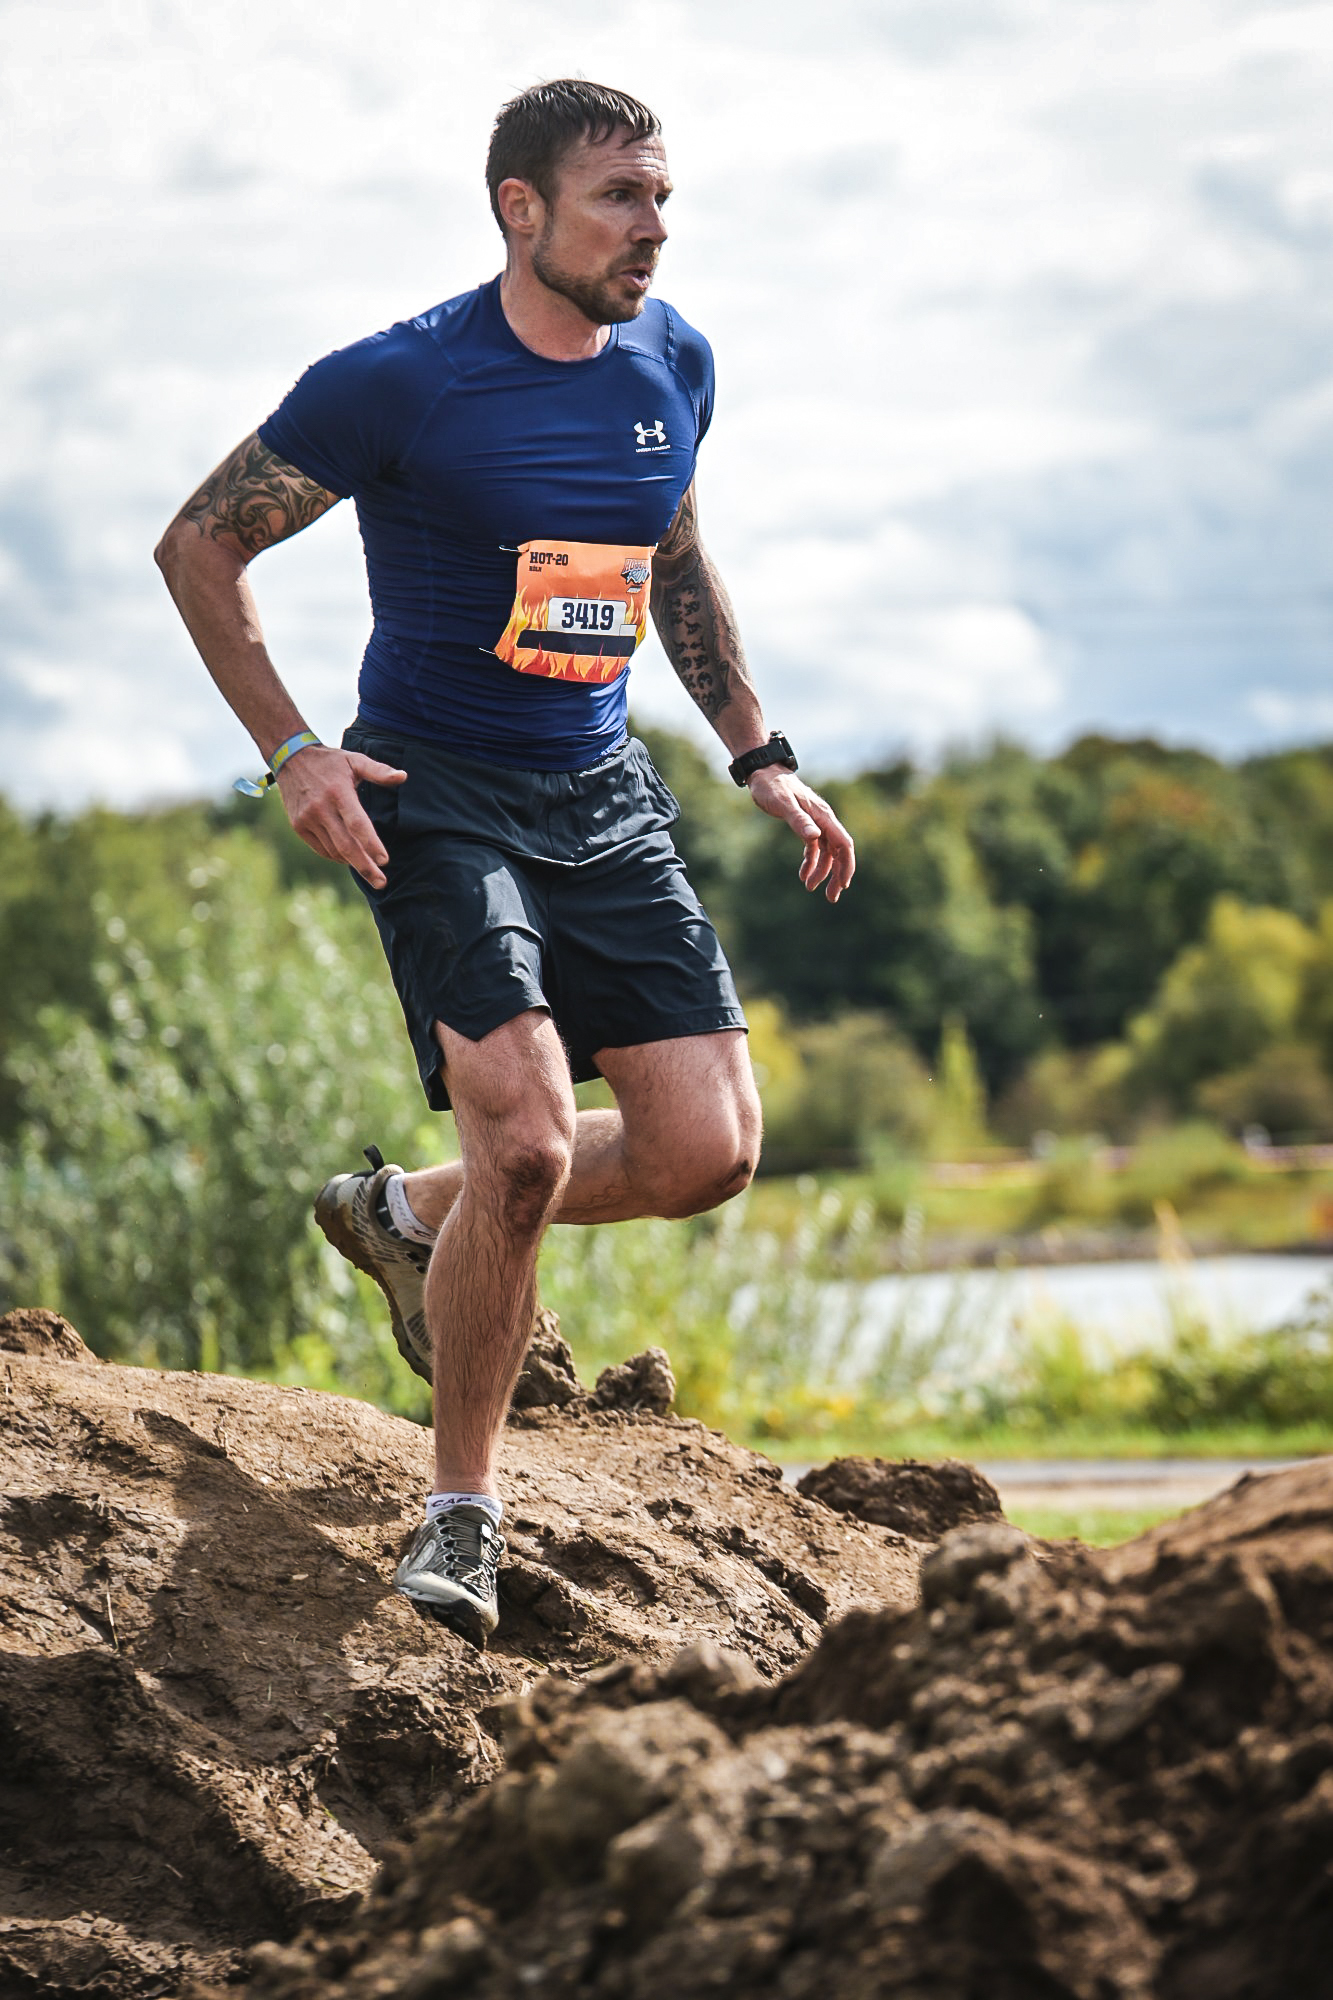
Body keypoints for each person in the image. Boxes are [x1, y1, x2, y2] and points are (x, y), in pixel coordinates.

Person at [155, 79, 855, 1647]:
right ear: (518, 208)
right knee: (527, 1150)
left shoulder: (672, 361)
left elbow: (672, 553)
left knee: (705, 1151)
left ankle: (406, 1214)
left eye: (661, 198)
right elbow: (201, 543)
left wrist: (757, 751)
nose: (652, 229)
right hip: (436, 794)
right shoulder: (398, 381)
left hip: (602, 793)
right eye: (618, 198)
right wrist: (294, 751)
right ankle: (460, 1511)